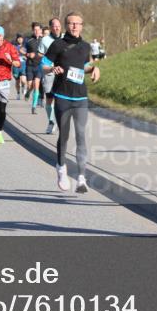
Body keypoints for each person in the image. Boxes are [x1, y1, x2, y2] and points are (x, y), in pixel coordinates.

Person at [45, 12, 99, 194]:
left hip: (81, 97)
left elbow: (83, 65)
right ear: (67, 26)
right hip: (62, 96)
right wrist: (52, 68)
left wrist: (93, 69)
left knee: (82, 136)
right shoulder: (57, 44)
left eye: (78, 23)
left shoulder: (85, 47)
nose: (75, 26)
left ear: (82, 25)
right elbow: (43, 65)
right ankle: (61, 168)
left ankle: (81, 177)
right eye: (71, 23)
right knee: (65, 135)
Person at [38, 17, 63, 134]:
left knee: (61, 98)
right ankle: (51, 121)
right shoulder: (45, 40)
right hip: (49, 72)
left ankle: (60, 121)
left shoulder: (65, 38)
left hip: (62, 72)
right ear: (50, 27)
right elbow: (40, 56)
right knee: (49, 98)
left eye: (58, 25)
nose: (56, 28)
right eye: (54, 26)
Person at [24, 22, 45, 112]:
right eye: (35, 30)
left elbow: (46, 52)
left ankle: (34, 106)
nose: (36, 31)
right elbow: (22, 50)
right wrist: (27, 54)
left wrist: (36, 55)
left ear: (41, 30)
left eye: (38, 30)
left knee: (36, 84)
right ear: (33, 30)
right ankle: (28, 92)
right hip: (29, 66)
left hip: (39, 66)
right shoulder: (28, 41)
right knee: (30, 86)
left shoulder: (44, 40)